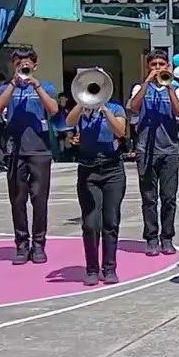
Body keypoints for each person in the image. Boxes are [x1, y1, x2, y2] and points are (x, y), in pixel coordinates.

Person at [0, 48, 60, 265]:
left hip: (39, 150)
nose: (23, 65)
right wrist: (13, 83)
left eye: (27, 62)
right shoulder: (6, 88)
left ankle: (39, 244)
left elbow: (53, 109)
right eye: (19, 62)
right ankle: (21, 244)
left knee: (40, 200)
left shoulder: (45, 86)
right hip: (15, 150)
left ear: (34, 65)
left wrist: (36, 85)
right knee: (17, 199)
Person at [126, 50, 179, 257]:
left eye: (161, 64)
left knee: (169, 197)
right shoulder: (139, 88)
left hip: (169, 149)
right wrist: (147, 82)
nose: (158, 68)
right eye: (154, 65)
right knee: (149, 198)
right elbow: (133, 108)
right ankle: (151, 237)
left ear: (168, 67)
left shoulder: (176, 89)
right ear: (148, 67)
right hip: (146, 150)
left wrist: (168, 86)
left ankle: (167, 237)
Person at [67, 94, 128, 285]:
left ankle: (109, 268)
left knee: (111, 220)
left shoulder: (116, 109)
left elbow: (120, 131)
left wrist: (104, 109)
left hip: (112, 169)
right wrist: (81, 103)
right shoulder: (82, 110)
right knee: (90, 223)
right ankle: (91, 268)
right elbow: (68, 121)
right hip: (88, 170)